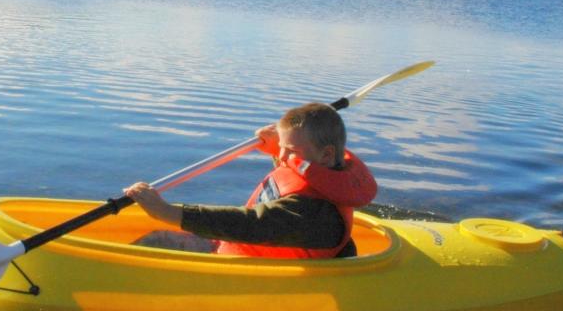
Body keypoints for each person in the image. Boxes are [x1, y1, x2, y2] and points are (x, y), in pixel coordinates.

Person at [125, 102, 377, 258]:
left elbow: (250, 224)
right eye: (282, 146)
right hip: (240, 250)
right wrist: (277, 151)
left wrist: (167, 211)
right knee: (156, 240)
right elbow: (294, 181)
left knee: (157, 240)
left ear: (326, 154)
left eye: (290, 150)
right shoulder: (325, 170)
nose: (282, 155)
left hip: (248, 270)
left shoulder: (312, 212)